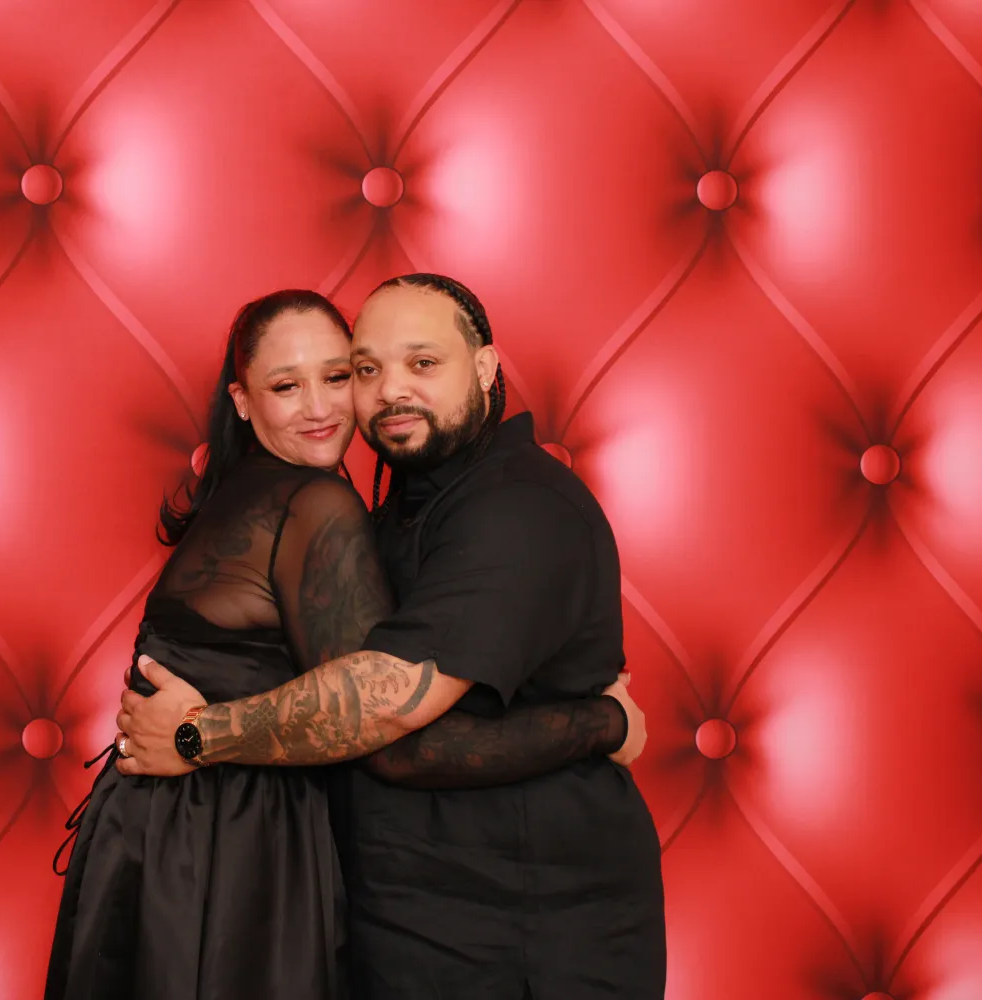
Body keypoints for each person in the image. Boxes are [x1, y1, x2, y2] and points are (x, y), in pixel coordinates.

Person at [44, 287, 646, 1000]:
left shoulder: (513, 508)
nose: (355, 399)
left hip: (520, 927)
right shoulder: (341, 503)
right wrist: (604, 723)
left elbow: (385, 724)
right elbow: (386, 732)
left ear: (485, 367)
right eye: (365, 370)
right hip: (235, 853)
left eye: (339, 376)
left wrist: (193, 737)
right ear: (243, 402)